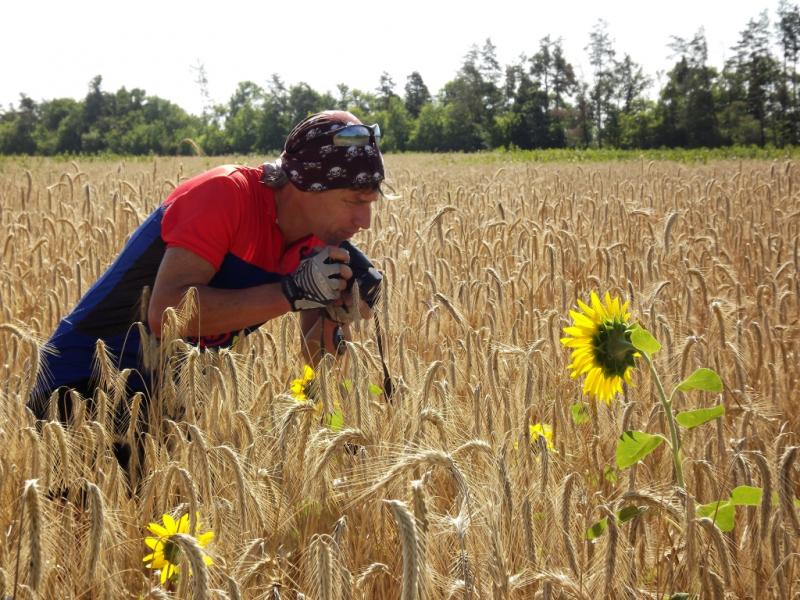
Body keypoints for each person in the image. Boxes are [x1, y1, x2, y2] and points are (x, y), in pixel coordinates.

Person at [28, 110, 385, 439]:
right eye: (355, 201)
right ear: (306, 185)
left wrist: (336, 314)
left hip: (165, 404)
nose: (365, 221)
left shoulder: (318, 239)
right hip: (80, 392)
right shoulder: (225, 195)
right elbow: (166, 314)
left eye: (371, 203)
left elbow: (316, 357)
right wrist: (291, 292)